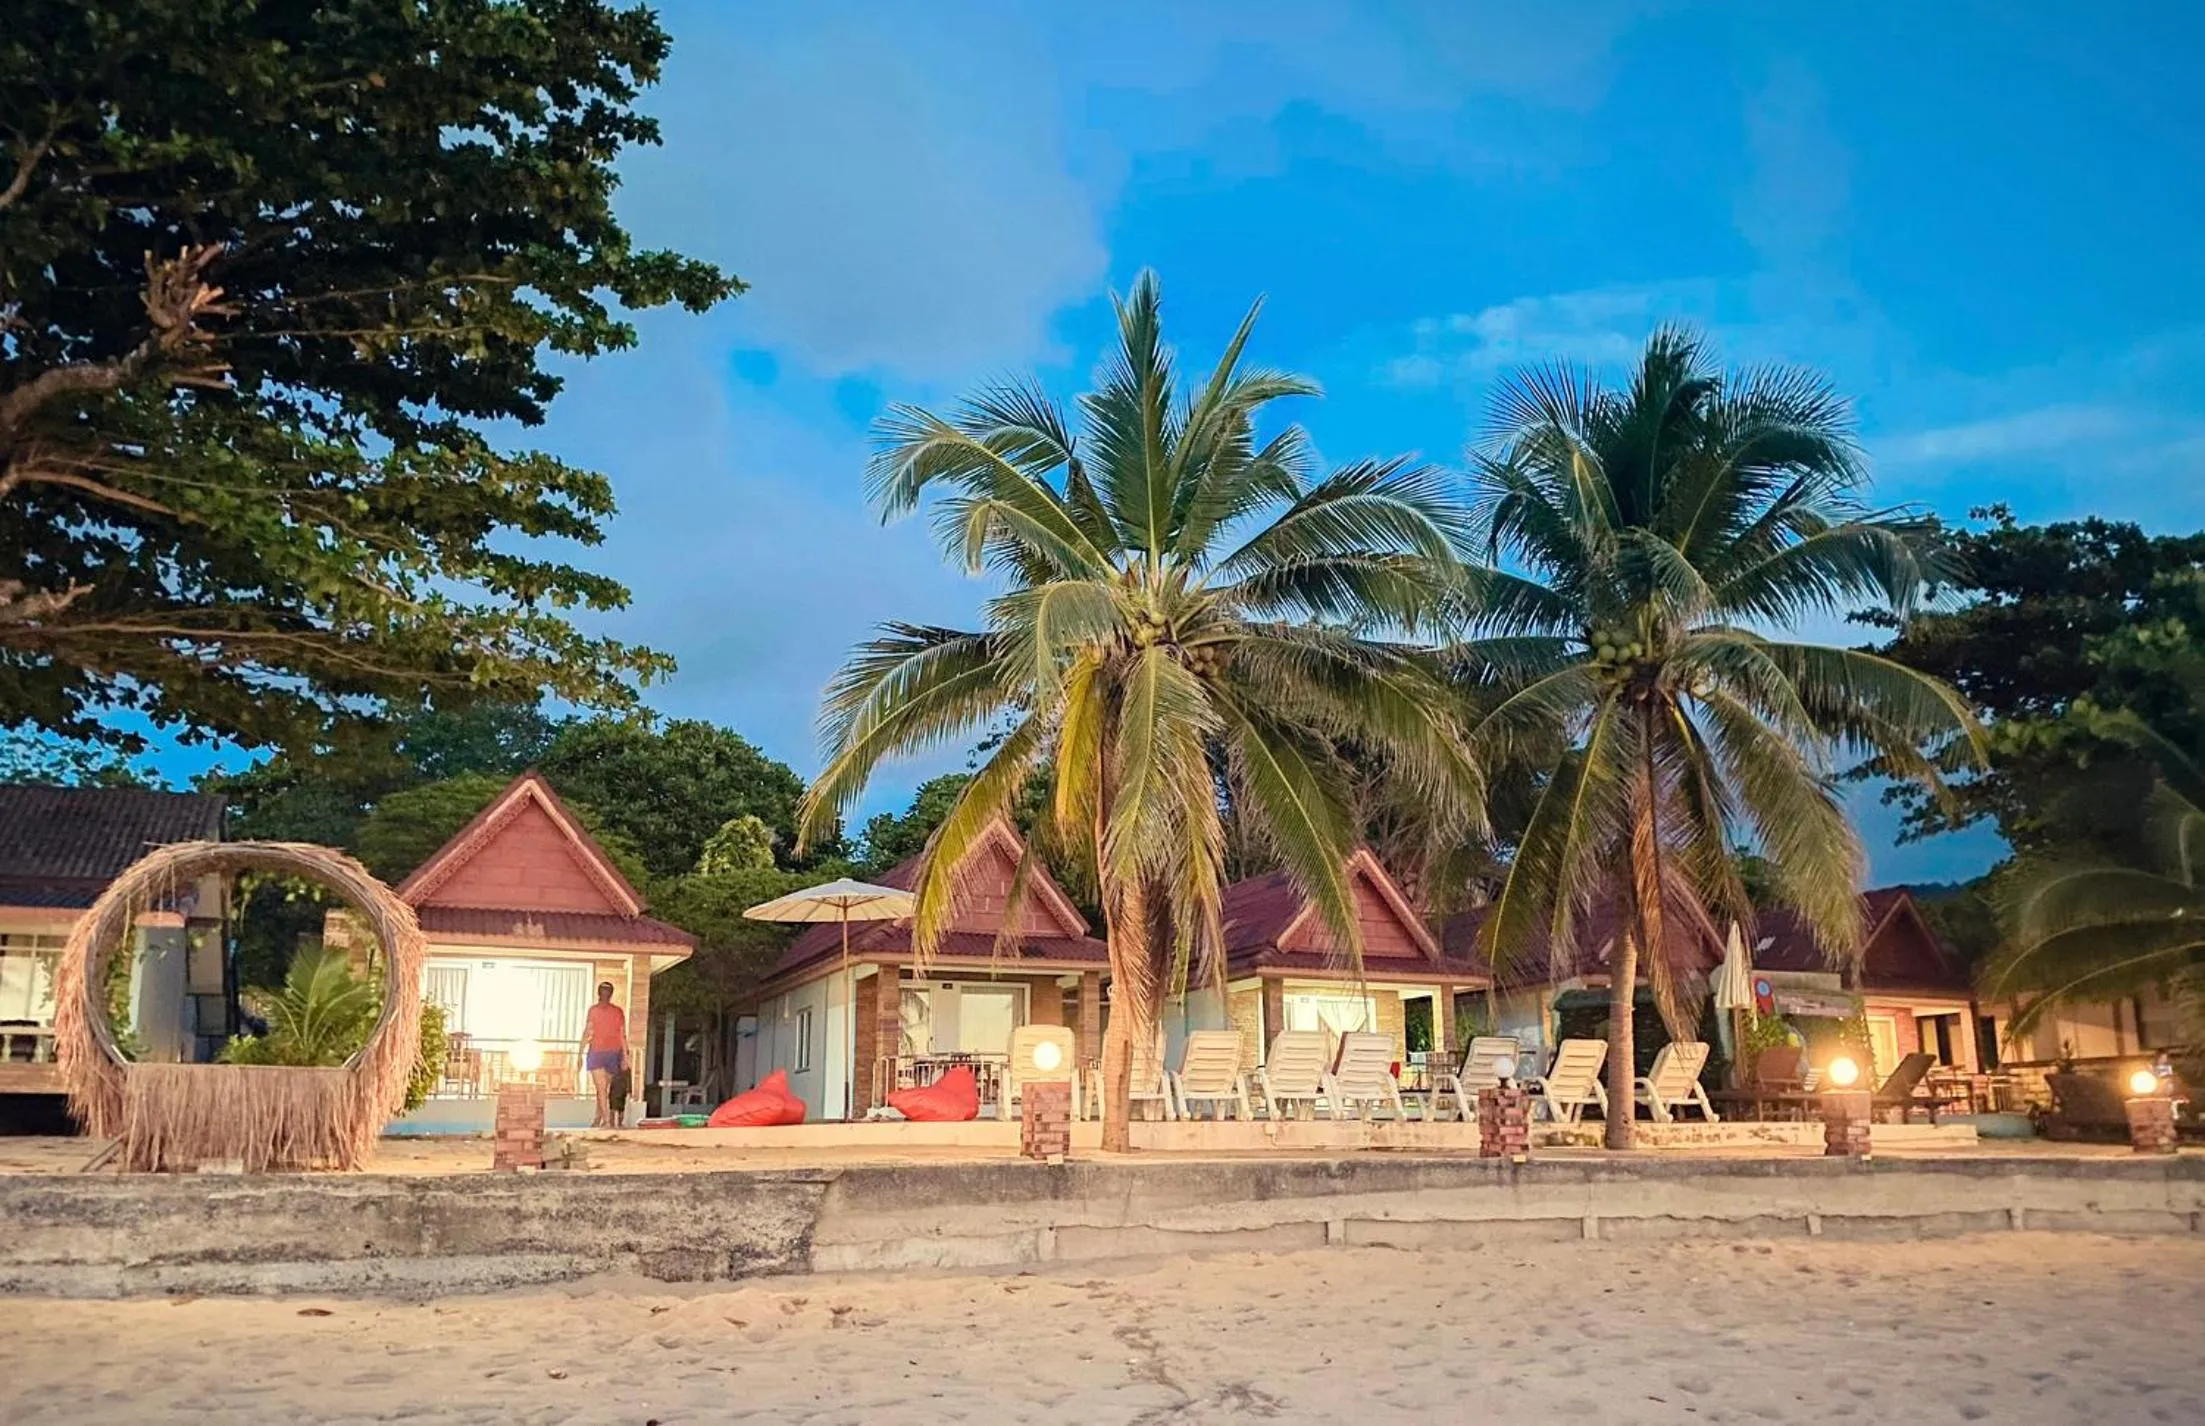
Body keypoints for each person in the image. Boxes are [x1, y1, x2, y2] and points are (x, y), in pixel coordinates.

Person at [580, 982, 626, 1128]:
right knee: (602, 1090)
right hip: (607, 1053)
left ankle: (601, 1119)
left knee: (602, 1090)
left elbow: (588, 1031)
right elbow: (622, 1035)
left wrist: (580, 1053)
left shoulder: (598, 1010)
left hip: (603, 1052)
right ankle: (601, 1120)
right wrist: (625, 1056)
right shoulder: (614, 1011)